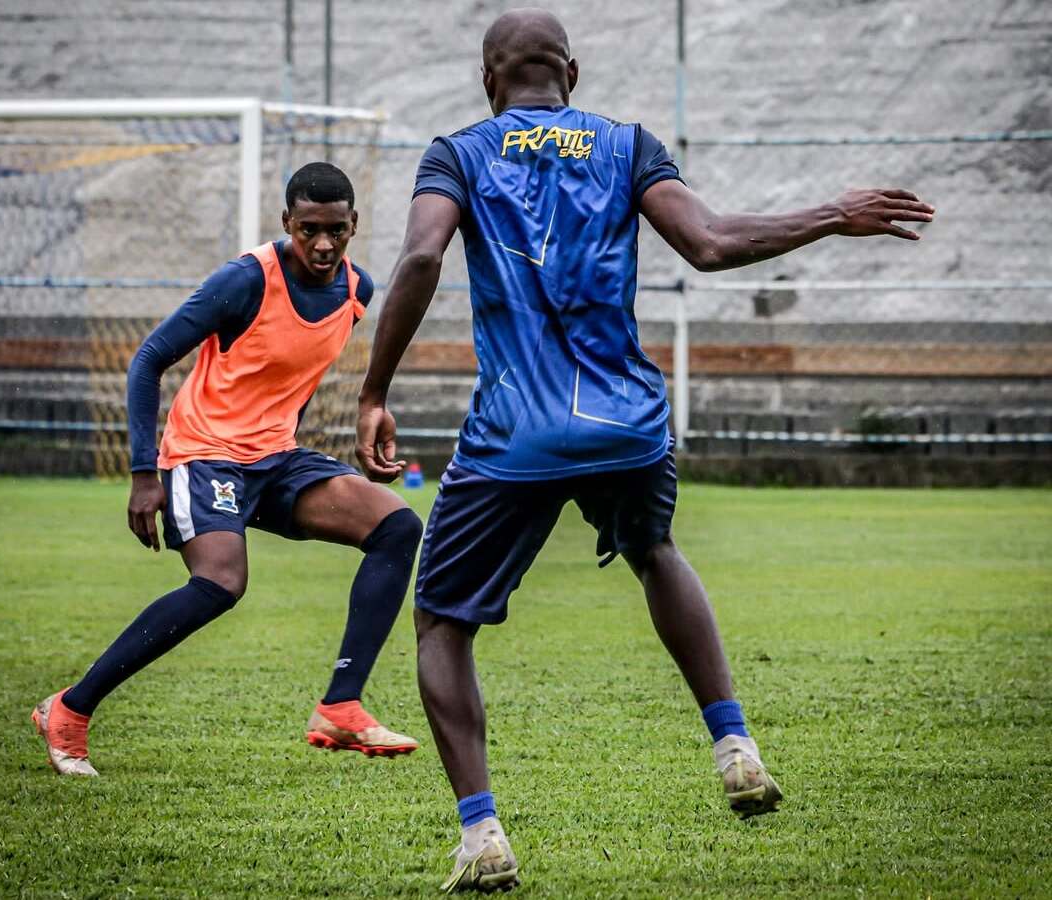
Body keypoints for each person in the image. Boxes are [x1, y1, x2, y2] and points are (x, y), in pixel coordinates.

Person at [356, 8, 935, 892]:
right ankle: (733, 743)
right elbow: (709, 243)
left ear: (487, 80)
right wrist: (831, 213)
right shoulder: (627, 145)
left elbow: (422, 258)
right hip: (630, 420)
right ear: (572, 74)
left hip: (520, 430)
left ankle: (482, 836)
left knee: (441, 620)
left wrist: (374, 389)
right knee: (654, 550)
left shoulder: (459, 154)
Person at [32, 162, 424, 777]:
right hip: (204, 453)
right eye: (309, 229)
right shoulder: (244, 280)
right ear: (286, 223)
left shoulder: (357, 290)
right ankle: (70, 709)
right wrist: (143, 473)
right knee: (221, 583)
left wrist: (370, 413)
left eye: (337, 231)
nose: (323, 244)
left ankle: (341, 705)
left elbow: (288, 380)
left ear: (354, 225)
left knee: (397, 527)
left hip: (276, 457)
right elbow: (148, 360)